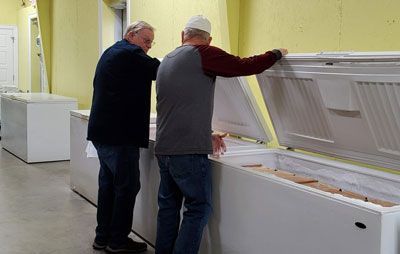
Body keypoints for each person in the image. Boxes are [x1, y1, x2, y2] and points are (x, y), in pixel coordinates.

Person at [154, 15, 288, 254]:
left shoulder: (167, 59)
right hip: (187, 151)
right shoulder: (202, 53)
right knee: (198, 208)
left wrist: (207, 135)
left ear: (182, 35)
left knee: (168, 207)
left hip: (164, 148)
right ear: (209, 40)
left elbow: (178, 107)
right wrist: (276, 53)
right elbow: (244, 65)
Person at [87, 20, 160, 253]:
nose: (148, 46)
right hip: (119, 137)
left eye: (151, 42)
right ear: (131, 35)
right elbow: (160, 70)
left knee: (108, 185)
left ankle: (103, 237)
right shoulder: (130, 53)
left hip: (103, 133)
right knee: (127, 186)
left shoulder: (113, 51)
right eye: (146, 40)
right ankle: (118, 241)